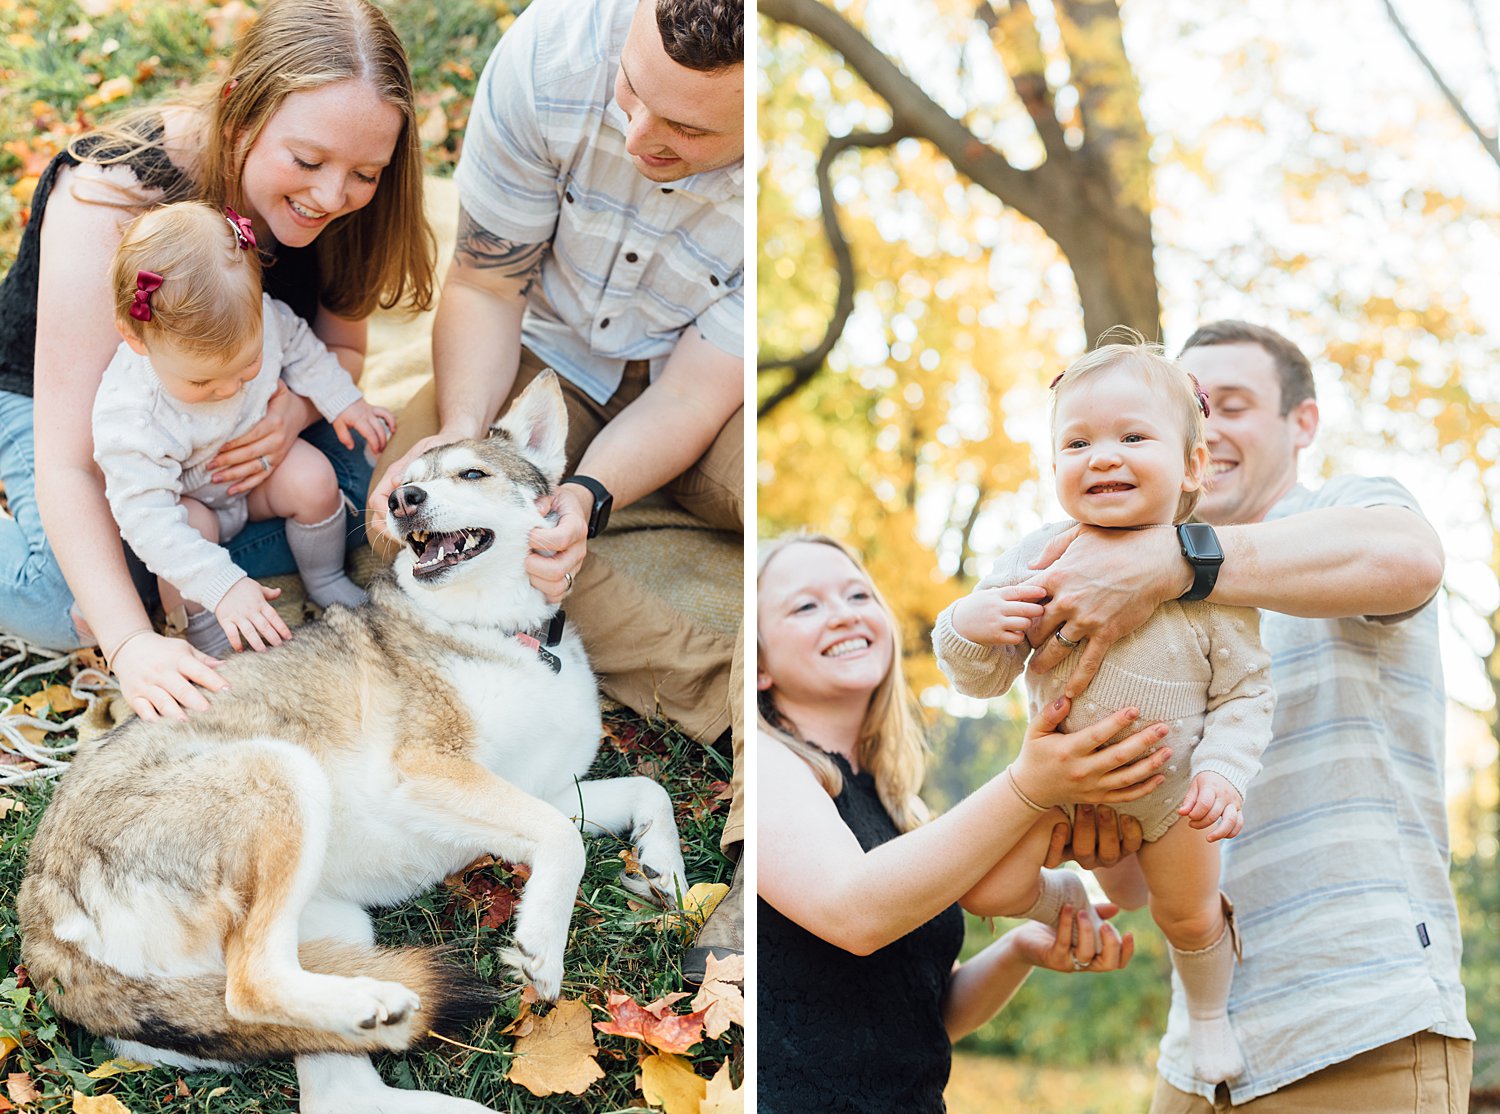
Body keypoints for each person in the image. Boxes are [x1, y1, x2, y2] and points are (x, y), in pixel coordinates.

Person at [367, 0, 745, 977]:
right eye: (630, 91)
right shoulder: (552, 50)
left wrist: (585, 495)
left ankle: (762, 848)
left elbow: (701, 391)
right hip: (539, 340)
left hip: (702, 388)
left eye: (688, 130)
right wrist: (459, 449)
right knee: (390, 518)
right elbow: (488, 284)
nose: (636, 133)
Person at [1021, 321, 1472, 1110]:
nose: (1211, 424)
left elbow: (1410, 559)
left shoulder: (1345, 509)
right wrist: (1101, 827)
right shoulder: (1129, 594)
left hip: (1360, 1030)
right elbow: (1134, 884)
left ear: (1303, 424)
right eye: (1193, 404)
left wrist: (1179, 561)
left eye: (1234, 404)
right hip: (1198, 1063)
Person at [0, 0, 434, 720]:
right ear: (239, 115)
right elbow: (73, 460)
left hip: (230, 407)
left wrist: (291, 412)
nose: (332, 195)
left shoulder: (355, 204)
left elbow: (342, 346)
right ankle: (150, 582)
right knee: (63, 600)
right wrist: (131, 642)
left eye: (365, 171)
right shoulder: (110, 196)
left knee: (359, 489)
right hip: (68, 409)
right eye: (306, 160)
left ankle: (176, 569)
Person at [933, 341, 1275, 1084]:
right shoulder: (1039, 556)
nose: (1102, 457)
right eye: (1077, 442)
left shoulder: (1204, 575)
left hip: (1169, 794)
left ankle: (1209, 1018)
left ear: (1193, 466)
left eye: (1132, 436)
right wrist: (968, 622)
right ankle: (1072, 893)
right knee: (988, 889)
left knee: (1187, 917)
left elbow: (1245, 692)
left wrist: (1222, 773)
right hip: (1058, 785)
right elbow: (981, 679)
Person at [758, 532, 1175, 1113]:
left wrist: (1020, 951)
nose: (842, 616)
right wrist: (1029, 786)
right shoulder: (765, 762)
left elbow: (924, 1012)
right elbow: (852, 912)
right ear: (756, 665)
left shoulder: (898, 808)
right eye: (805, 606)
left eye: (858, 595)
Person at [93, 201, 395, 660]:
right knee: (187, 531)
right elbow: (146, 518)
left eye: (248, 364)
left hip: (256, 480)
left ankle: (326, 578)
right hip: (189, 504)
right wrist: (222, 585)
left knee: (313, 477)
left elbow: (301, 347)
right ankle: (207, 633)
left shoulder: (265, 319)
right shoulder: (131, 412)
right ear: (137, 340)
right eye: (200, 382)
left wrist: (342, 401)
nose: (230, 388)